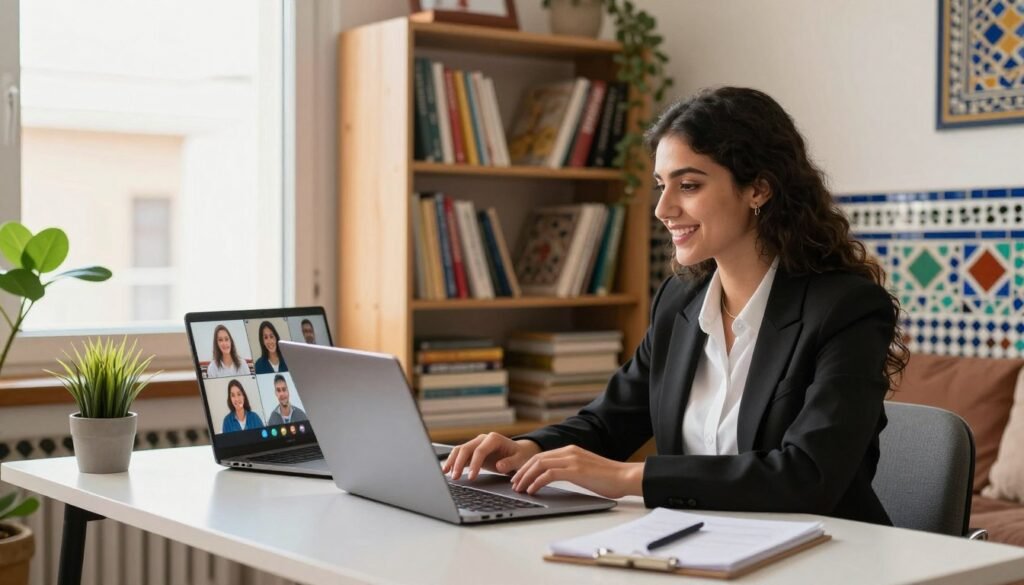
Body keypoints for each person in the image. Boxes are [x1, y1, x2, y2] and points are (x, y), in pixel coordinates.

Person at [444, 87, 908, 525]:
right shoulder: (679, 300)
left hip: (825, 557)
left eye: (688, 185)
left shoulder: (847, 309)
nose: (663, 208)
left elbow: (807, 476)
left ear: (758, 190)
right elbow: (609, 421)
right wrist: (525, 447)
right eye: (661, 185)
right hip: (698, 545)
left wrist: (628, 478)